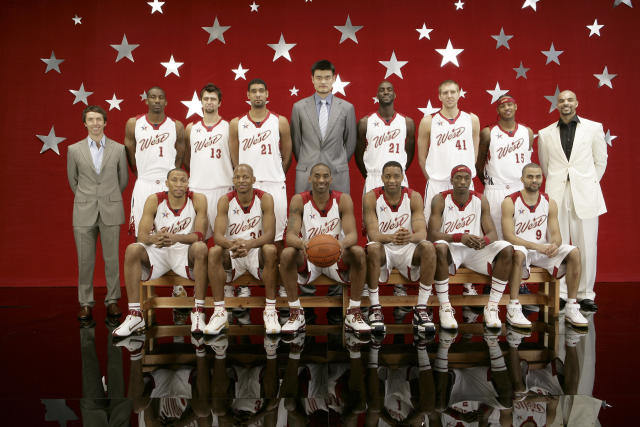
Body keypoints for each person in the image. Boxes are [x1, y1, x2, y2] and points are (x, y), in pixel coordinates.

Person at [112, 169, 208, 338]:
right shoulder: (154, 199)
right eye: (174, 180)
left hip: (183, 251)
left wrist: (176, 237)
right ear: (166, 183)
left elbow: (200, 234)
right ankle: (135, 315)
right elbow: (141, 235)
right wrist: (155, 238)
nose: (179, 184)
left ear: (188, 183)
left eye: (183, 180)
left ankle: (198, 311)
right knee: (133, 249)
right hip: (160, 251)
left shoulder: (198, 199)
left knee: (201, 247)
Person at [279, 163, 371, 336]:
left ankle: (354, 312)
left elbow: (352, 235)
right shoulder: (299, 200)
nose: (321, 180)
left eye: (325, 176)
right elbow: (290, 236)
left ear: (331, 178)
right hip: (309, 257)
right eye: (317, 176)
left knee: (358, 252)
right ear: (309, 178)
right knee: (287, 254)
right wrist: (303, 244)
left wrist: (340, 245)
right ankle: (296, 312)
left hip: (336, 257)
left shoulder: (343, 199)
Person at [537, 90, 607, 312]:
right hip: (557, 192)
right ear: (556, 105)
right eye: (561, 100)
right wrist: (562, 183)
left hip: (585, 193)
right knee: (559, 243)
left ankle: (585, 293)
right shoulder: (545, 133)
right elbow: (546, 166)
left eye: (569, 100)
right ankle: (563, 293)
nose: (565, 103)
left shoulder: (594, 128)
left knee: (586, 244)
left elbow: (600, 161)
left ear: (577, 102)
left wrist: (586, 183)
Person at [124, 86, 188, 319]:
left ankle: (177, 286)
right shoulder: (134, 123)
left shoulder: (177, 126)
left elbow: (179, 157)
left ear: (166, 101)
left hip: (167, 183)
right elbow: (131, 155)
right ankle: (142, 285)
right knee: (142, 236)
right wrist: (144, 175)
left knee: (172, 231)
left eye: (161, 97)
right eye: (153, 97)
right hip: (144, 183)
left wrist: (169, 179)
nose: (157, 101)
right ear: (147, 99)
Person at [501, 163, 588, 328]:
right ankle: (513, 307)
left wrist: (554, 245)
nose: (534, 180)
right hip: (521, 250)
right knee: (518, 252)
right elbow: (509, 236)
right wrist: (537, 246)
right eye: (530, 176)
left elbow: (556, 235)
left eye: (538, 176)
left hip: (541, 252)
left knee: (574, 252)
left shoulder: (549, 202)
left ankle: (571, 305)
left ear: (542, 178)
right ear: (522, 179)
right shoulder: (510, 201)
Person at [428, 165, 513, 330]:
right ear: (451, 180)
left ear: (471, 181)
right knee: (439, 247)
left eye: (466, 178)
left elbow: (492, 234)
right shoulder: (440, 199)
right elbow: (432, 235)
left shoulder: (480, 199)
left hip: (474, 249)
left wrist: (484, 240)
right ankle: (445, 307)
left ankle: (492, 306)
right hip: (451, 249)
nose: (462, 181)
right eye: (458, 177)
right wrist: (459, 237)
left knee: (507, 249)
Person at [199, 164, 280, 336]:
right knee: (214, 251)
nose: (241, 180)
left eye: (245, 177)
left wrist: (250, 244)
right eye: (237, 177)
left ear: (253, 179)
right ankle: (219, 312)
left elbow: (270, 234)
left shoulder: (265, 198)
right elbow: (218, 236)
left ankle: (271, 310)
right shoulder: (225, 200)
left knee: (271, 249)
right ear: (233, 180)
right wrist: (233, 246)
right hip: (233, 253)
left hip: (255, 251)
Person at [67, 105, 128, 322]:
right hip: (84, 210)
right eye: (91, 119)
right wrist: (89, 197)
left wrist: (107, 196)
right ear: (84, 123)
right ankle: (85, 303)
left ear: (105, 123)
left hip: (111, 208)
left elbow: (123, 181)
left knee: (111, 259)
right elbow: (73, 181)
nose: (95, 123)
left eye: (99, 119)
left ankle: (112, 300)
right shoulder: (74, 150)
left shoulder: (119, 149)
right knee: (85, 260)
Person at [363, 161, 436, 334]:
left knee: (429, 248)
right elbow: (373, 234)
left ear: (403, 177)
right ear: (381, 178)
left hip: (407, 246)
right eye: (387, 176)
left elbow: (421, 233)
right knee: (372, 248)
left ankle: (421, 308)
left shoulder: (414, 196)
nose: (392, 180)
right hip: (384, 247)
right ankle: (375, 308)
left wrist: (409, 236)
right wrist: (391, 237)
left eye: (396, 176)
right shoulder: (371, 197)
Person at [230, 78, 292, 247]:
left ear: (267, 94)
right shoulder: (236, 123)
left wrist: (277, 173)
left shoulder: (280, 121)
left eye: (261, 91)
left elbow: (287, 156)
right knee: (250, 233)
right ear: (248, 95)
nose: (258, 95)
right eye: (254, 91)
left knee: (277, 237)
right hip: (249, 187)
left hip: (274, 183)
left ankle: (277, 271)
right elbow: (235, 160)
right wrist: (244, 180)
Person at [290, 60, 357, 194]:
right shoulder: (299, 107)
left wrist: (338, 160)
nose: (323, 82)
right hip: (307, 171)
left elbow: (350, 143)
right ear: (312, 79)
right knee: (305, 212)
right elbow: (296, 142)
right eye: (319, 78)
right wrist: (307, 159)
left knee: (338, 212)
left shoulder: (347, 108)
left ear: (333, 79)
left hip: (336, 172)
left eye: (327, 78)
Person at [476, 95, 533, 240]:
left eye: (510, 104)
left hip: (520, 188)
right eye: (502, 106)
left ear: (516, 107)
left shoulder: (527, 132)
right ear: (497, 110)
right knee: (496, 238)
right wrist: (491, 182)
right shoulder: (488, 132)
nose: (507, 108)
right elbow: (479, 165)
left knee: (522, 234)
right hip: (497, 189)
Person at [184, 83, 234, 239]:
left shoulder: (229, 127)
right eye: (206, 99)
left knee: (225, 242)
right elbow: (187, 158)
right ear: (201, 101)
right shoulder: (191, 128)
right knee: (199, 242)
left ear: (219, 102)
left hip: (223, 188)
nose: (209, 102)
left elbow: (235, 158)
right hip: (198, 189)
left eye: (213, 99)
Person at [355, 81, 416, 193]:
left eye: (389, 89)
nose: (386, 92)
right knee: (371, 211)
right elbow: (358, 156)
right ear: (377, 96)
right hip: (374, 176)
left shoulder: (407, 122)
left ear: (395, 95)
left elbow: (410, 153)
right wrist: (370, 174)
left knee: (402, 211)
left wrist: (400, 170)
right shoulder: (365, 122)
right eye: (382, 90)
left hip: (398, 178)